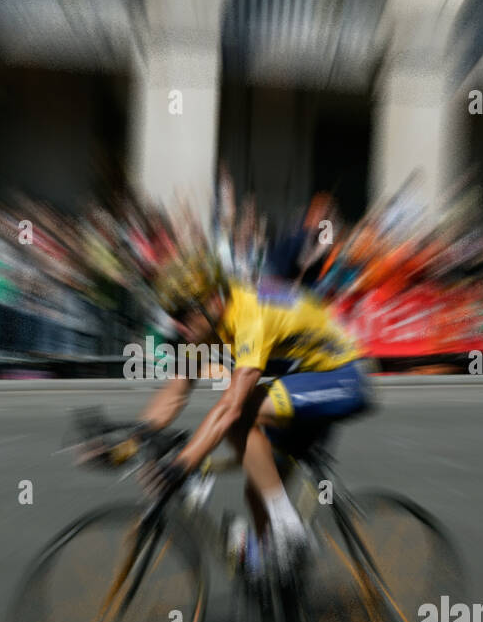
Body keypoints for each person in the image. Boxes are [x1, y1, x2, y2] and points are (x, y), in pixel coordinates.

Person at [130, 245, 372, 583]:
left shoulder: (248, 314)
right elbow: (176, 391)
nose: (180, 327)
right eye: (174, 317)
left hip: (344, 378)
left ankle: (291, 534)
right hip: (302, 382)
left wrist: (182, 465)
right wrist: (132, 437)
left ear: (212, 300)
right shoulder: (208, 325)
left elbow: (231, 407)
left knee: (241, 414)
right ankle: (273, 582)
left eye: (185, 314)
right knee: (257, 490)